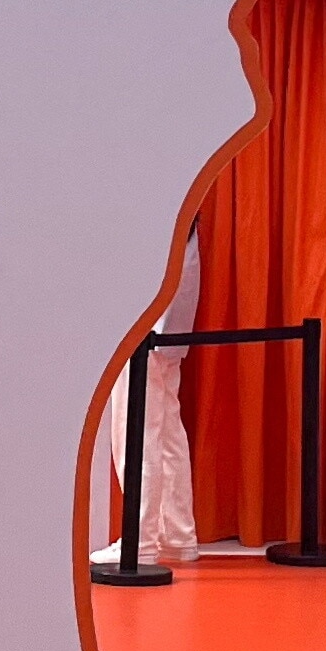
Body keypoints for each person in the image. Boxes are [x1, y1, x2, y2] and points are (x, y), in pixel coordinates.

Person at [94, 229, 204, 572]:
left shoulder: (153, 219)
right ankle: (177, 534)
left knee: (135, 429)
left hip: (145, 324)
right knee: (167, 428)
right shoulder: (182, 214)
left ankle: (139, 540)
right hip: (168, 321)